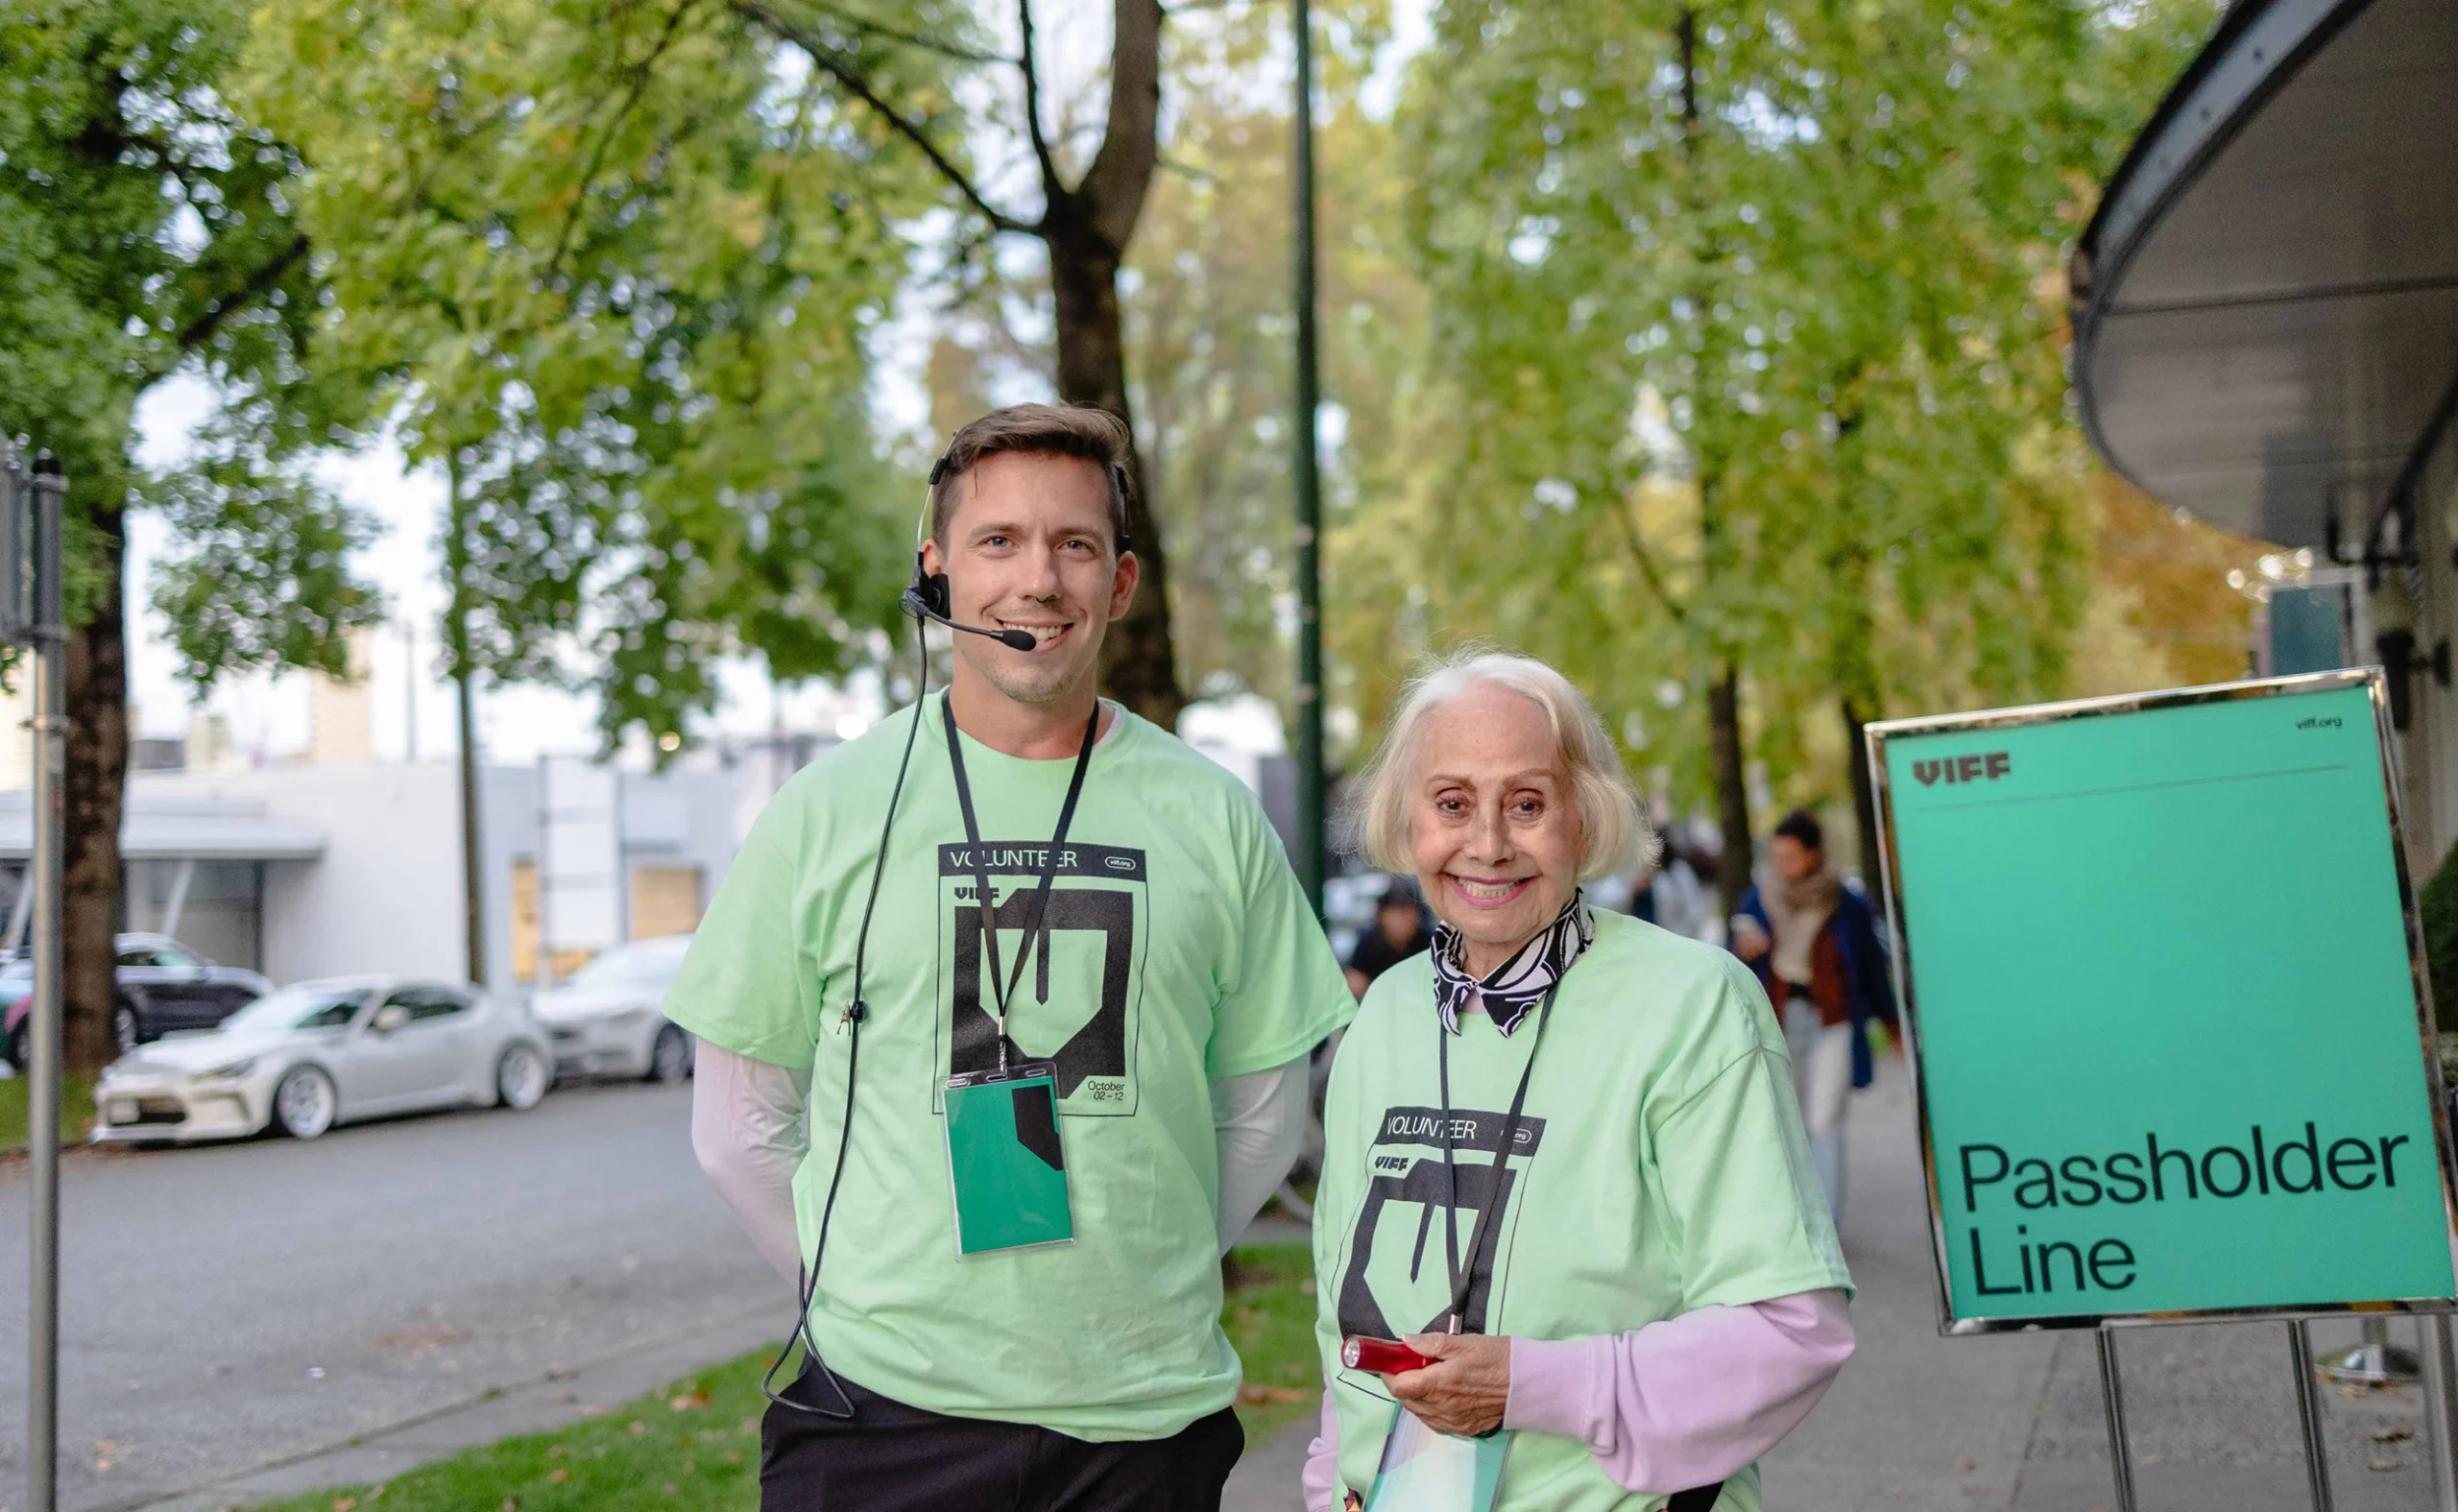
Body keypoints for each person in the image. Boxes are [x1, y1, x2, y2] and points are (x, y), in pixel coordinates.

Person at [669, 403, 1354, 1512]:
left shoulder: (1214, 818)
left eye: (1073, 545)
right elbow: (737, 1127)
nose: (1036, 579)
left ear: (1120, 583)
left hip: (1144, 1421)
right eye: (998, 542)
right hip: (883, 1420)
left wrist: (1139, 1278)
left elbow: (1264, 1115)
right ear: (936, 574)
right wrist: (867, 1300)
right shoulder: (827, 812)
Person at [1304, 649, 1853, 1512]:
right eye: (1452, 803)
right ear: (1408, 822)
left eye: (1527, 803)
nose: (1486, 844)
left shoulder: (1695, 1005)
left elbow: (1793, 1333)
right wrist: (1325, 1484)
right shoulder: (1384, 1016)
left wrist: (1530, 1383)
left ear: (1584, 821)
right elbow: (1346, 1332)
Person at [1730, 808, 1898, 1228]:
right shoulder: (1759, 897)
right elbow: (1734, 962)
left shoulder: (1847, 904)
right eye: (1777, 856)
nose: (1782, 866)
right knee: (1783, 1117)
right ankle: (1792, 1224)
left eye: (1791, 856)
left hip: (1831, 1019)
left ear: (1812, 854)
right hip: (1777, 1018)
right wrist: (1746, 949)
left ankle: (1824, 1227)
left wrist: (1892, 1025)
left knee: (1824, 1119)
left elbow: (1872, 969)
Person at [1344, 881, 1432, 998]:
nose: (1402, 921)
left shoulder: (1429, 942)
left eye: (1407, 912)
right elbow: (1355, 978)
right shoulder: (1369, 943)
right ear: (1382, 915)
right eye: (1395, 913)